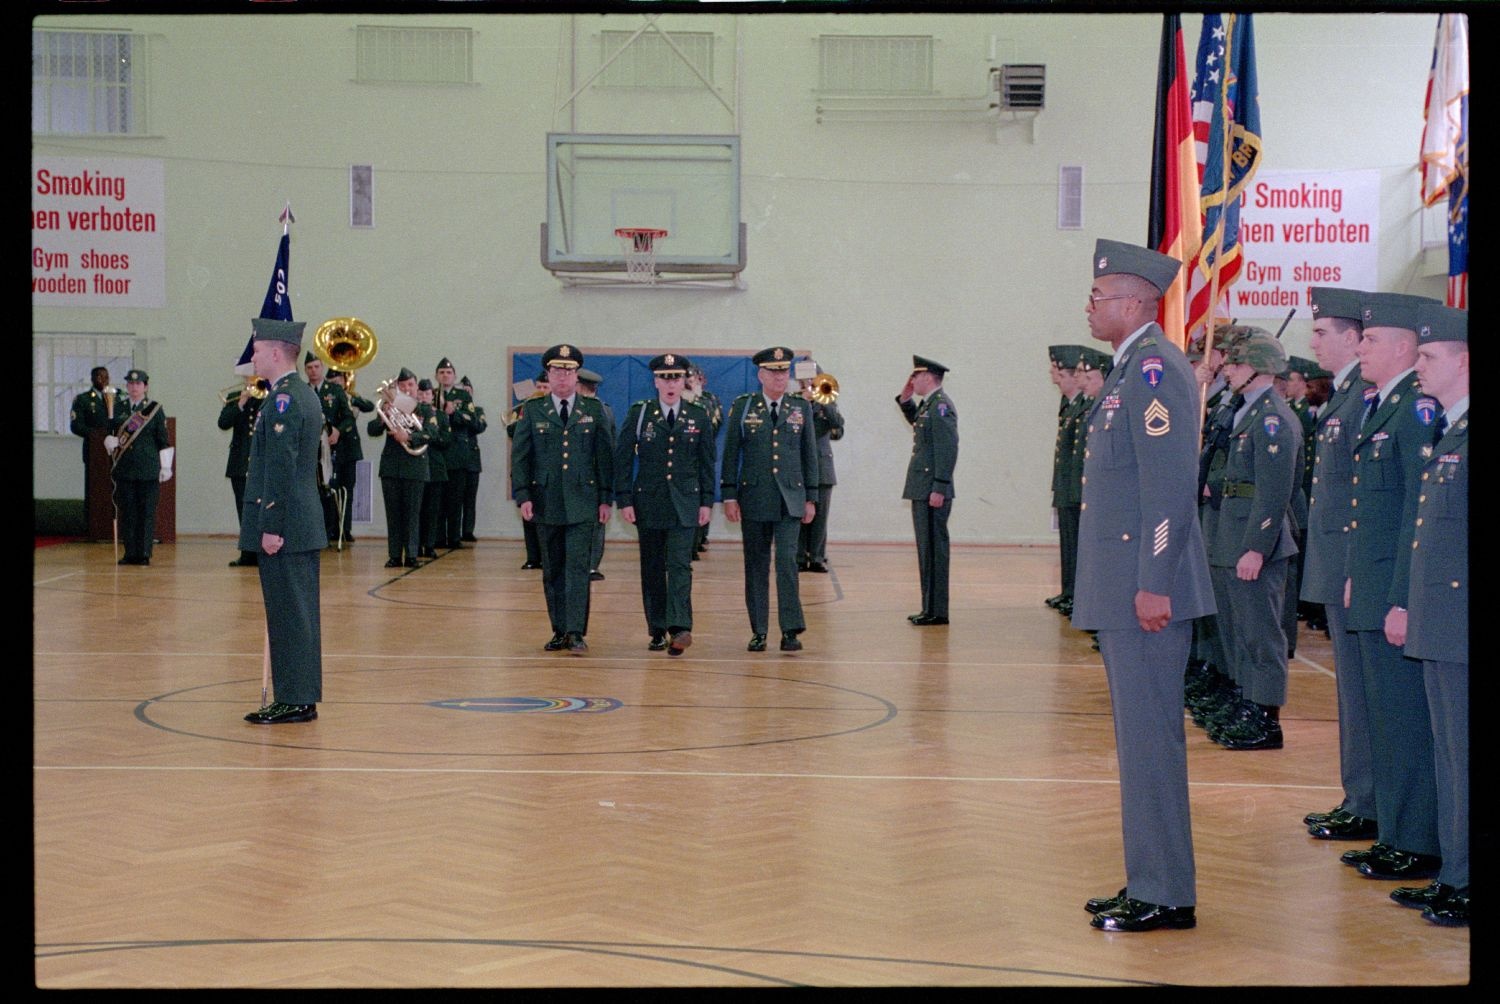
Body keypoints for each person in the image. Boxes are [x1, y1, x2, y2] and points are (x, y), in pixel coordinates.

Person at [1073, 238, 1213, 933]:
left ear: (1132, 302)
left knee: (1152, 741)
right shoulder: (1131, 370)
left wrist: (1155, 582)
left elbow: (1167, 488)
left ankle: (1164, 891)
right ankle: (1149, 879)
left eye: (1098, 296)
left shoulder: (1155, 371)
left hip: (1145, 593)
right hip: (1125, 588)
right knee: (1139, 741)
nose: (1090, 305)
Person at [1339, 291, 1444, 884]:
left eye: (1371, 339)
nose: (1360, 347)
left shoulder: (1416, 410)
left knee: (1405, 719)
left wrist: (1402, 594)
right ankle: (1396, 831)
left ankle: (1417, 841)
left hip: (1396, 589)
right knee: (1386, 716)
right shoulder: (1390, 404)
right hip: (1376, 584)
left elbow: (1416, 513)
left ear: (1405, 347)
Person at [1391, 303, 1468, 927]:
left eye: (1428, 356)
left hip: (1460, 620)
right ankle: (1455, 870)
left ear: (1464, 361)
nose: (1417, 366)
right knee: (1449, 751)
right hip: (1442, 621)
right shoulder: (1452, 431)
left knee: (1463, 752)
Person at [1298, 288, 1378, 841]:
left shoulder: (1362, 399)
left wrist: (1351, 568)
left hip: (1350, 564)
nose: (1313, 342)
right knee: (1351, 693)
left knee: (1363, 693)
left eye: (1323, 332)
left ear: (1352, 339)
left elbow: (1362, 498)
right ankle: (1359, 795)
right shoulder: (1347, 397)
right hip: (1335, 562)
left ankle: (1367, 801)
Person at [1199, 331, 1303, 751]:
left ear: (1259, 369)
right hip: (1230, 534)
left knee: (1261, 632)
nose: (1228, 370)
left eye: (1236, 365)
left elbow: (1274, 491)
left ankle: (1266, 718)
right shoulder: (1244, 411)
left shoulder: (1273, 418)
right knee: (1236, 629)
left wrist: (1257, 547)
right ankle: (1246, 702)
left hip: (1253, 541)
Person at [240, 318, 325, 725]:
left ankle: (293, 698)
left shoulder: (283, 401)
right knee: (298, 613)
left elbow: (281, 466)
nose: (251, 355)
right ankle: (298, 695)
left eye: (256, 348)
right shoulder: (299, 394)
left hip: (286, 524)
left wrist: (270, 525)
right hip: (299, 521)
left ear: (276, 352)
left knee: (290, 614)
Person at [511, 344, 614, 654]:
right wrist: (523, 496)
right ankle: (558, 629)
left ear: (576, 375)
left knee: (578, 569)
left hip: (584, 500)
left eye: (569, 371)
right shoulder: (532, 410)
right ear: (548, 374)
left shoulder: (593, 410)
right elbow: (521, 458)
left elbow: (605, 458)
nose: (563, 376)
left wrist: (606, 498)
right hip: (546, 500)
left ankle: (576, 631)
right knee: (553, 569)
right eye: (557, 371)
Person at [614, 353, 717, 655]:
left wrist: (707, 502)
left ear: (684, 380)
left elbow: (707, 462)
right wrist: (624, 498)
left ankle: (681, 627)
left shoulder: (698, 415)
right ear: (655, 381)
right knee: (653, 568)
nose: (670, 383)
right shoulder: (641, 413)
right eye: (664, 377)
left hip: (686, 500)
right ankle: (657, 629)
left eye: (675, 377)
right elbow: (623, 457)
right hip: (649, 500)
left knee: (680, 565)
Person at [721, 346, 818, 652]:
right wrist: (728, 495)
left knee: (787, 563)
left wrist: (811, 497)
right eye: (774, 372)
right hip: (755, 497)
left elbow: (809, 455)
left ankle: (790, 630)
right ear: (761, 375)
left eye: (784, 371)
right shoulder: (743, 407)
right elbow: (730, 453)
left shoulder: (799, 408)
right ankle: (759, 630)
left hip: (791, 498)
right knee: (756, 565)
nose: (780, 377)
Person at [897, 355, 959, 626]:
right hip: (923, 488)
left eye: (916, 376)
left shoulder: (941, 407)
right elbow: (920, 427)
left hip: (932, 490)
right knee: (927, 550)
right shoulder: (929, 406)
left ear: (928, 377)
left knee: (935, 550)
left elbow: (947, 449)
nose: (912, 380)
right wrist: (905, 402)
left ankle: (937, 610)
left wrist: (940, 487)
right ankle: (930, 607)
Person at [105, 369, 173, 566]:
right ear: (127, 386)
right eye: (131, 384)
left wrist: (166, 466)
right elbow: (113, 434)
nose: (134, 387)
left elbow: (163, 439)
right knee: (128, 512)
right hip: (125, 470)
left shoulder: (154, 409)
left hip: (147, 469)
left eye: (138, 384)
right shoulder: (117, 407)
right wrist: (109, 441)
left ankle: (143, 553)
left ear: (146, 387)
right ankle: (130, 553)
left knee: (145, 512)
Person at [367, 367, 431, 568]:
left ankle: (411, 554)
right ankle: (394, 555)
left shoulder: (424, 410)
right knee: (393, 514)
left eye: (410, 385)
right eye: (402, 386)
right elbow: (372, 430)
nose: (407, 389)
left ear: (416, 386)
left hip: (415, 467)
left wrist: (409, 437)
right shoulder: (389, 406)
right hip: (391, 467)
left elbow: (433, 434)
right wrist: (383, 415)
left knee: (412, 513)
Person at [1045, 346, 1084, 614]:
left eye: (1058, 372)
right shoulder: (1069, 406)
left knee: (1079, 545)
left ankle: (1077, 595)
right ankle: (1069, 590)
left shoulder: (1084, 406)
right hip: (1067, 486)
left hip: (1078, 489)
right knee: (1068, 543)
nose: (1053, 377)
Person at [797, 365, 844, 574]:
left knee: (821, 515)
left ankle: (816, 557)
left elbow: (838, 428)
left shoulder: (828, 401)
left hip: (822, 465)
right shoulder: (794, 401)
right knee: (798, 512)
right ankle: (798, 556)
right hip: (799, 466)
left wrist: (824, 402)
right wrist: (804, 401)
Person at [305, 352, 353, 546]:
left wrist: (338, 432)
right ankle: (316, 532)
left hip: (332, 449)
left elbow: (348, 417)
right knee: (313, 492)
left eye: (316, 367)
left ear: (322, 368)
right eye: (309, 368)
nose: (313, 371)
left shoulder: (334, 390)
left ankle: (334, 530)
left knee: (331, 489)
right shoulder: (303, 391)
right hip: (309, 451)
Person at [218, 377, 266, 567]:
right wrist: (241, 402)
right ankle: (247, 553)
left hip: (262, 462)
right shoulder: (235, 397)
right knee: (244, 510)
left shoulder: (269, 395)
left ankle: (264, 552)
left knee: (263, 509)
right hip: (240, 463)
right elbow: (223, 423)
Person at [578, 368, 616, 580]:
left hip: (594, 473)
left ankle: (591, 564)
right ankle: (586, 564)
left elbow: (609, 446)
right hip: (576, 474)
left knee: (596, 521)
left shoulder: (602, 410)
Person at [508, 371, 548, 570]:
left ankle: (546, 556)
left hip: (545, 472)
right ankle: (533, 557)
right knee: (528, 515)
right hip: (527, 469)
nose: (541, 390)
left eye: (545, 387)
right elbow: (511, 432)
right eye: (539, 387)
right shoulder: (527, 408)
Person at [327, 368, 371, 543]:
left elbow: (369, 406)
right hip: (331, 448)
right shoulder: (327, 398)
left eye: (339, 382)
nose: (336, 386)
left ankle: (345, 529)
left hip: (349, 449)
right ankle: (331, 528)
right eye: (332, 383)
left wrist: (351, 398)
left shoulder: (351, 396)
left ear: (345, 382)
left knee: (348, 490)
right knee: (331, 490)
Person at [70, 366, 125, 508]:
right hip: (95, 452)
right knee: (94, 493)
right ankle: (92, 527)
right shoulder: (83, 400)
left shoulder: (118, 396)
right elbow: (76, 426)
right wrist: (99, 436)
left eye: (106, 377)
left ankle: (115, 525)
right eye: (99, 377)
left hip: (117, 452)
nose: (103, 380)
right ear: (92, 379)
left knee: (116, 492)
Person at [684, 364, 723, 559]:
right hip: (683, 460)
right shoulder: (678, 399)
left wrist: (697, 401)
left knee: (703, 498)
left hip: (703, 456)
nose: (691, 383)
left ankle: (699, 538)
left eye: (694, 379)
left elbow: (714, 426)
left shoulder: (710, 400)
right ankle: (689, 544)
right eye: (688, 380)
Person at [415, 378, 451, 559]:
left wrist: (428, 435)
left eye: (427, 394)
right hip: (416, 467)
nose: (423, 397)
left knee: (432, 510)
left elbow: (446, 440)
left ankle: (429, 545)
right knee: (417, 510)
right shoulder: (411, 415)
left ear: (432, 396)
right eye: (420, 394)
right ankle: (416, 545)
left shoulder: (441, 416)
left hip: (435, 468)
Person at [457, 374, 486, 543]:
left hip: (473, 461)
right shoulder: (454, 411)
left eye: (469, 390)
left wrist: (465, 417)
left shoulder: (478, 410)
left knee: (470, 498)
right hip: (457, 459)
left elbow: (479, 426)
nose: (466, 393)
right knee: (455, 498)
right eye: (463, 391)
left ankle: (468, 530)